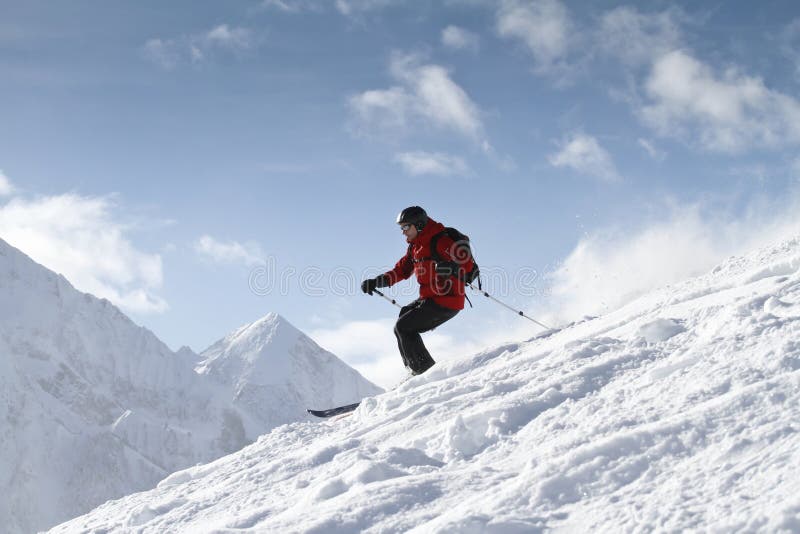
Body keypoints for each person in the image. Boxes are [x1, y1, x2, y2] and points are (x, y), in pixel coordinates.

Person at [361, 206, 473, 375]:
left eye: (406, 227)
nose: (403, 232)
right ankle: (415, 370)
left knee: (404, 327)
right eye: (401, 228)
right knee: (403, 318)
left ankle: (424, 372)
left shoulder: (440, 240)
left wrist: (451, 266)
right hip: (430, 298)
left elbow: (467, 263)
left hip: (448, 299)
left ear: (419, 225)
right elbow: (402, 270)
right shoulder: (415, 247)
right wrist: (377, 281)